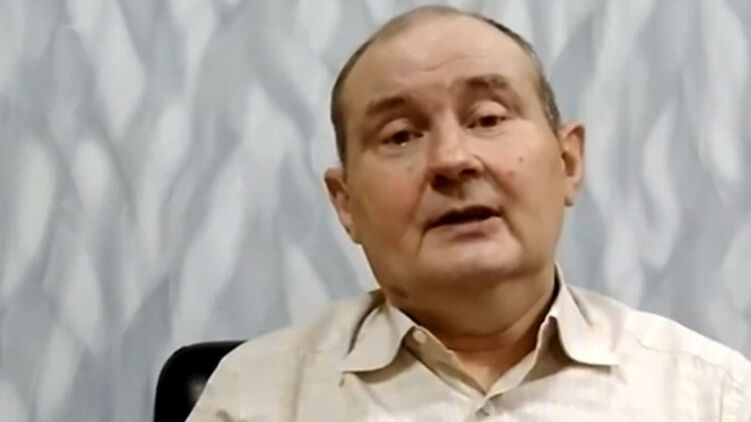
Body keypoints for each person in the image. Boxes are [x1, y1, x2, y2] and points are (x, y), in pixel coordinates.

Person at [187, 5, 751, 421]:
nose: (452, 160)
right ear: (346, 203)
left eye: (487, 119)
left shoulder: (712, 395)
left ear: (568, 162)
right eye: (400, 134)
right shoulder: (255, 399)